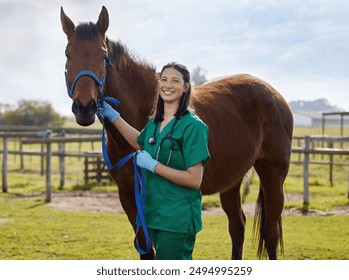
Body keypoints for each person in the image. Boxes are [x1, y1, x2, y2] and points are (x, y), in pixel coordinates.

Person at [98, 62, 210, 260]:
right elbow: (138, 141)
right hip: (154, 215)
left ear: (186, 87)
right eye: (164, 79)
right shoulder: (155, 123)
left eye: (175, 80)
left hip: (177, 218)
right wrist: (114, 116)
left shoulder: (194, 127)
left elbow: (194, 180)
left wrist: (154, 166)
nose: (168, 84)